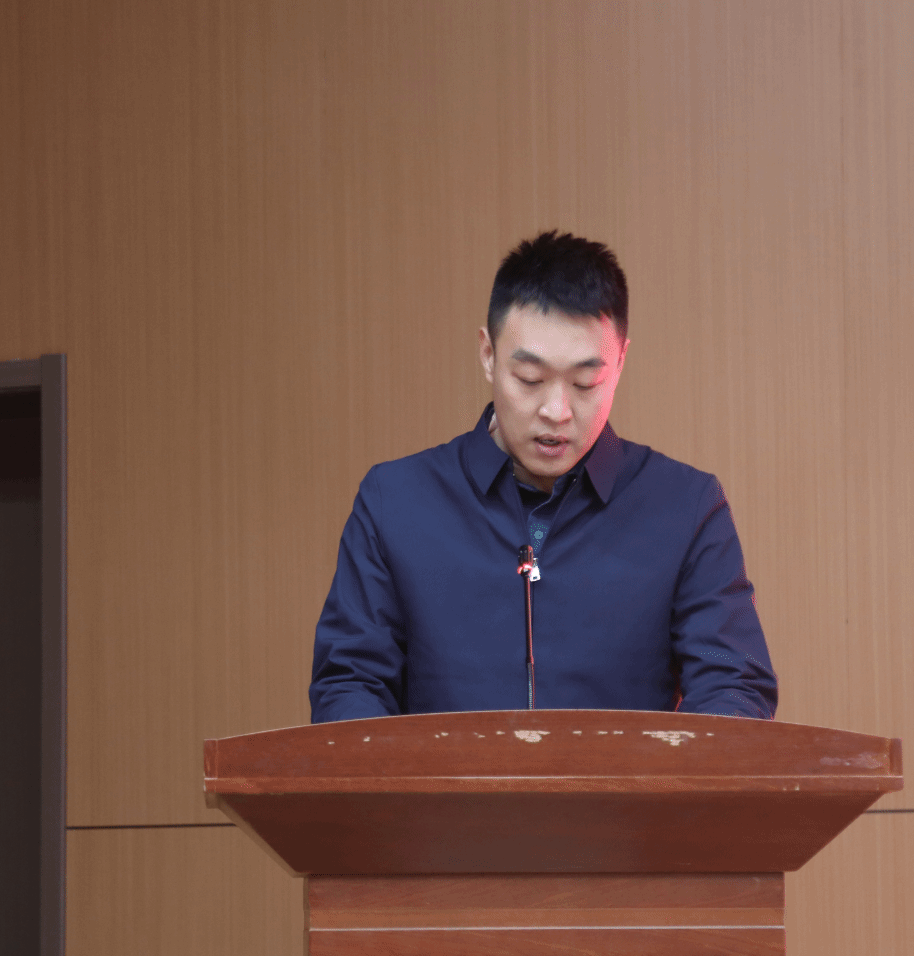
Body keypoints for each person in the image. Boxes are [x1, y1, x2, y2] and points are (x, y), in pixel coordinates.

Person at [308, 231, 777, 722]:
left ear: (620, 361)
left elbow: (734, 683)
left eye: (585, 383)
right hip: (442, 778)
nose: (557, 411)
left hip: (625, 778)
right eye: (530, 380)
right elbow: (349, 681)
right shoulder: (396, 502)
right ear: (488, 355)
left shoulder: (686, 506)